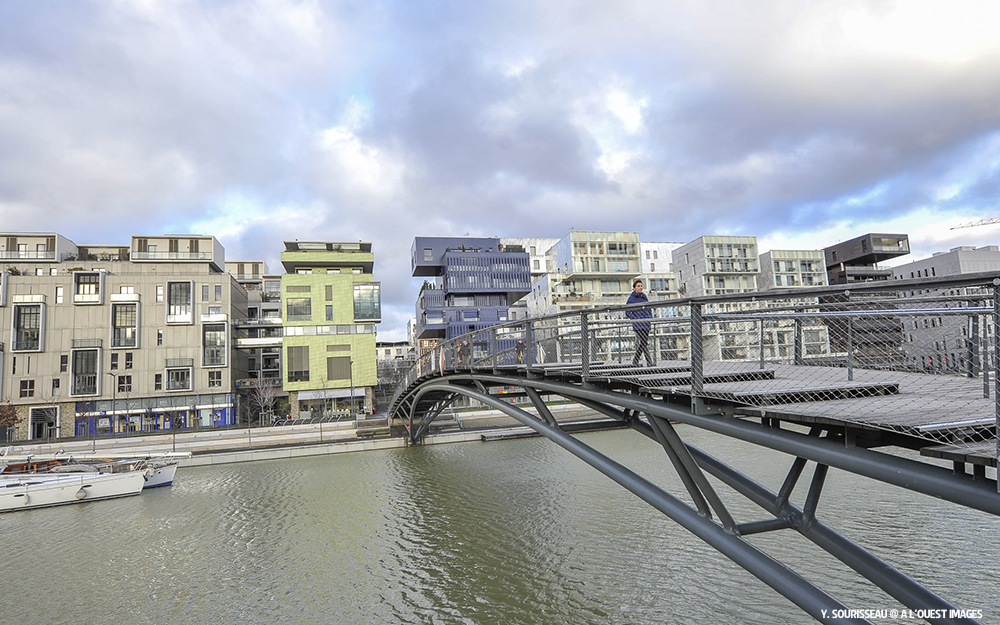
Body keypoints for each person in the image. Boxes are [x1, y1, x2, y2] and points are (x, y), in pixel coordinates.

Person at [626, 278, 654, 367]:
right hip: (638, 324)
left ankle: (635, 361)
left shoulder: (644, 296)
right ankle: (649, 362)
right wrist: (635, 319)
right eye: (638, 286)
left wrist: (650, 318)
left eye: (641, 286)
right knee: (644, 342)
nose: (640, 287)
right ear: (634, 288)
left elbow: (649, 308)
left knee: (643, 342)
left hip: (646, 323)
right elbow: (627, 311)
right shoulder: (631, 299)